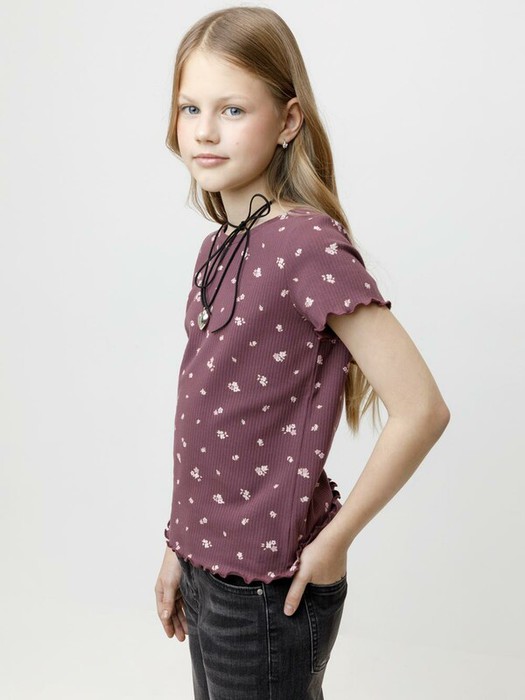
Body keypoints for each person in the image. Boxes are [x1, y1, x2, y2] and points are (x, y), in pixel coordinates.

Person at [154, 7, 450, 699]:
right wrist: (177, 548)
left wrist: (332, 543)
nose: (204, 130)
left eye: (232, 109)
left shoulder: (305, 246)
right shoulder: (218, 245)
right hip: (206, 571)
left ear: (288, 121)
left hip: (268, 587)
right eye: (190, 108)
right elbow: (208, 423)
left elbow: (422, 410)